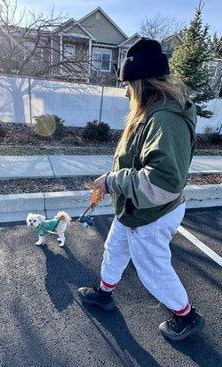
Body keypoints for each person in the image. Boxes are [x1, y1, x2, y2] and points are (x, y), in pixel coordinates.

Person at [78, 37, 205, 341]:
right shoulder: (153, 109)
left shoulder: (165, 118)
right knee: (115, 249)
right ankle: (104, 293)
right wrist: (114, 179)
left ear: (141, 83)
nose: (124, 91)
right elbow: (138, 162)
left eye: (127, 84)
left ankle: (186, 316)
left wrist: (111, 181)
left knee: (153, 270)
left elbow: (162, 182)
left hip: (151, 213)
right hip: (134, 208)